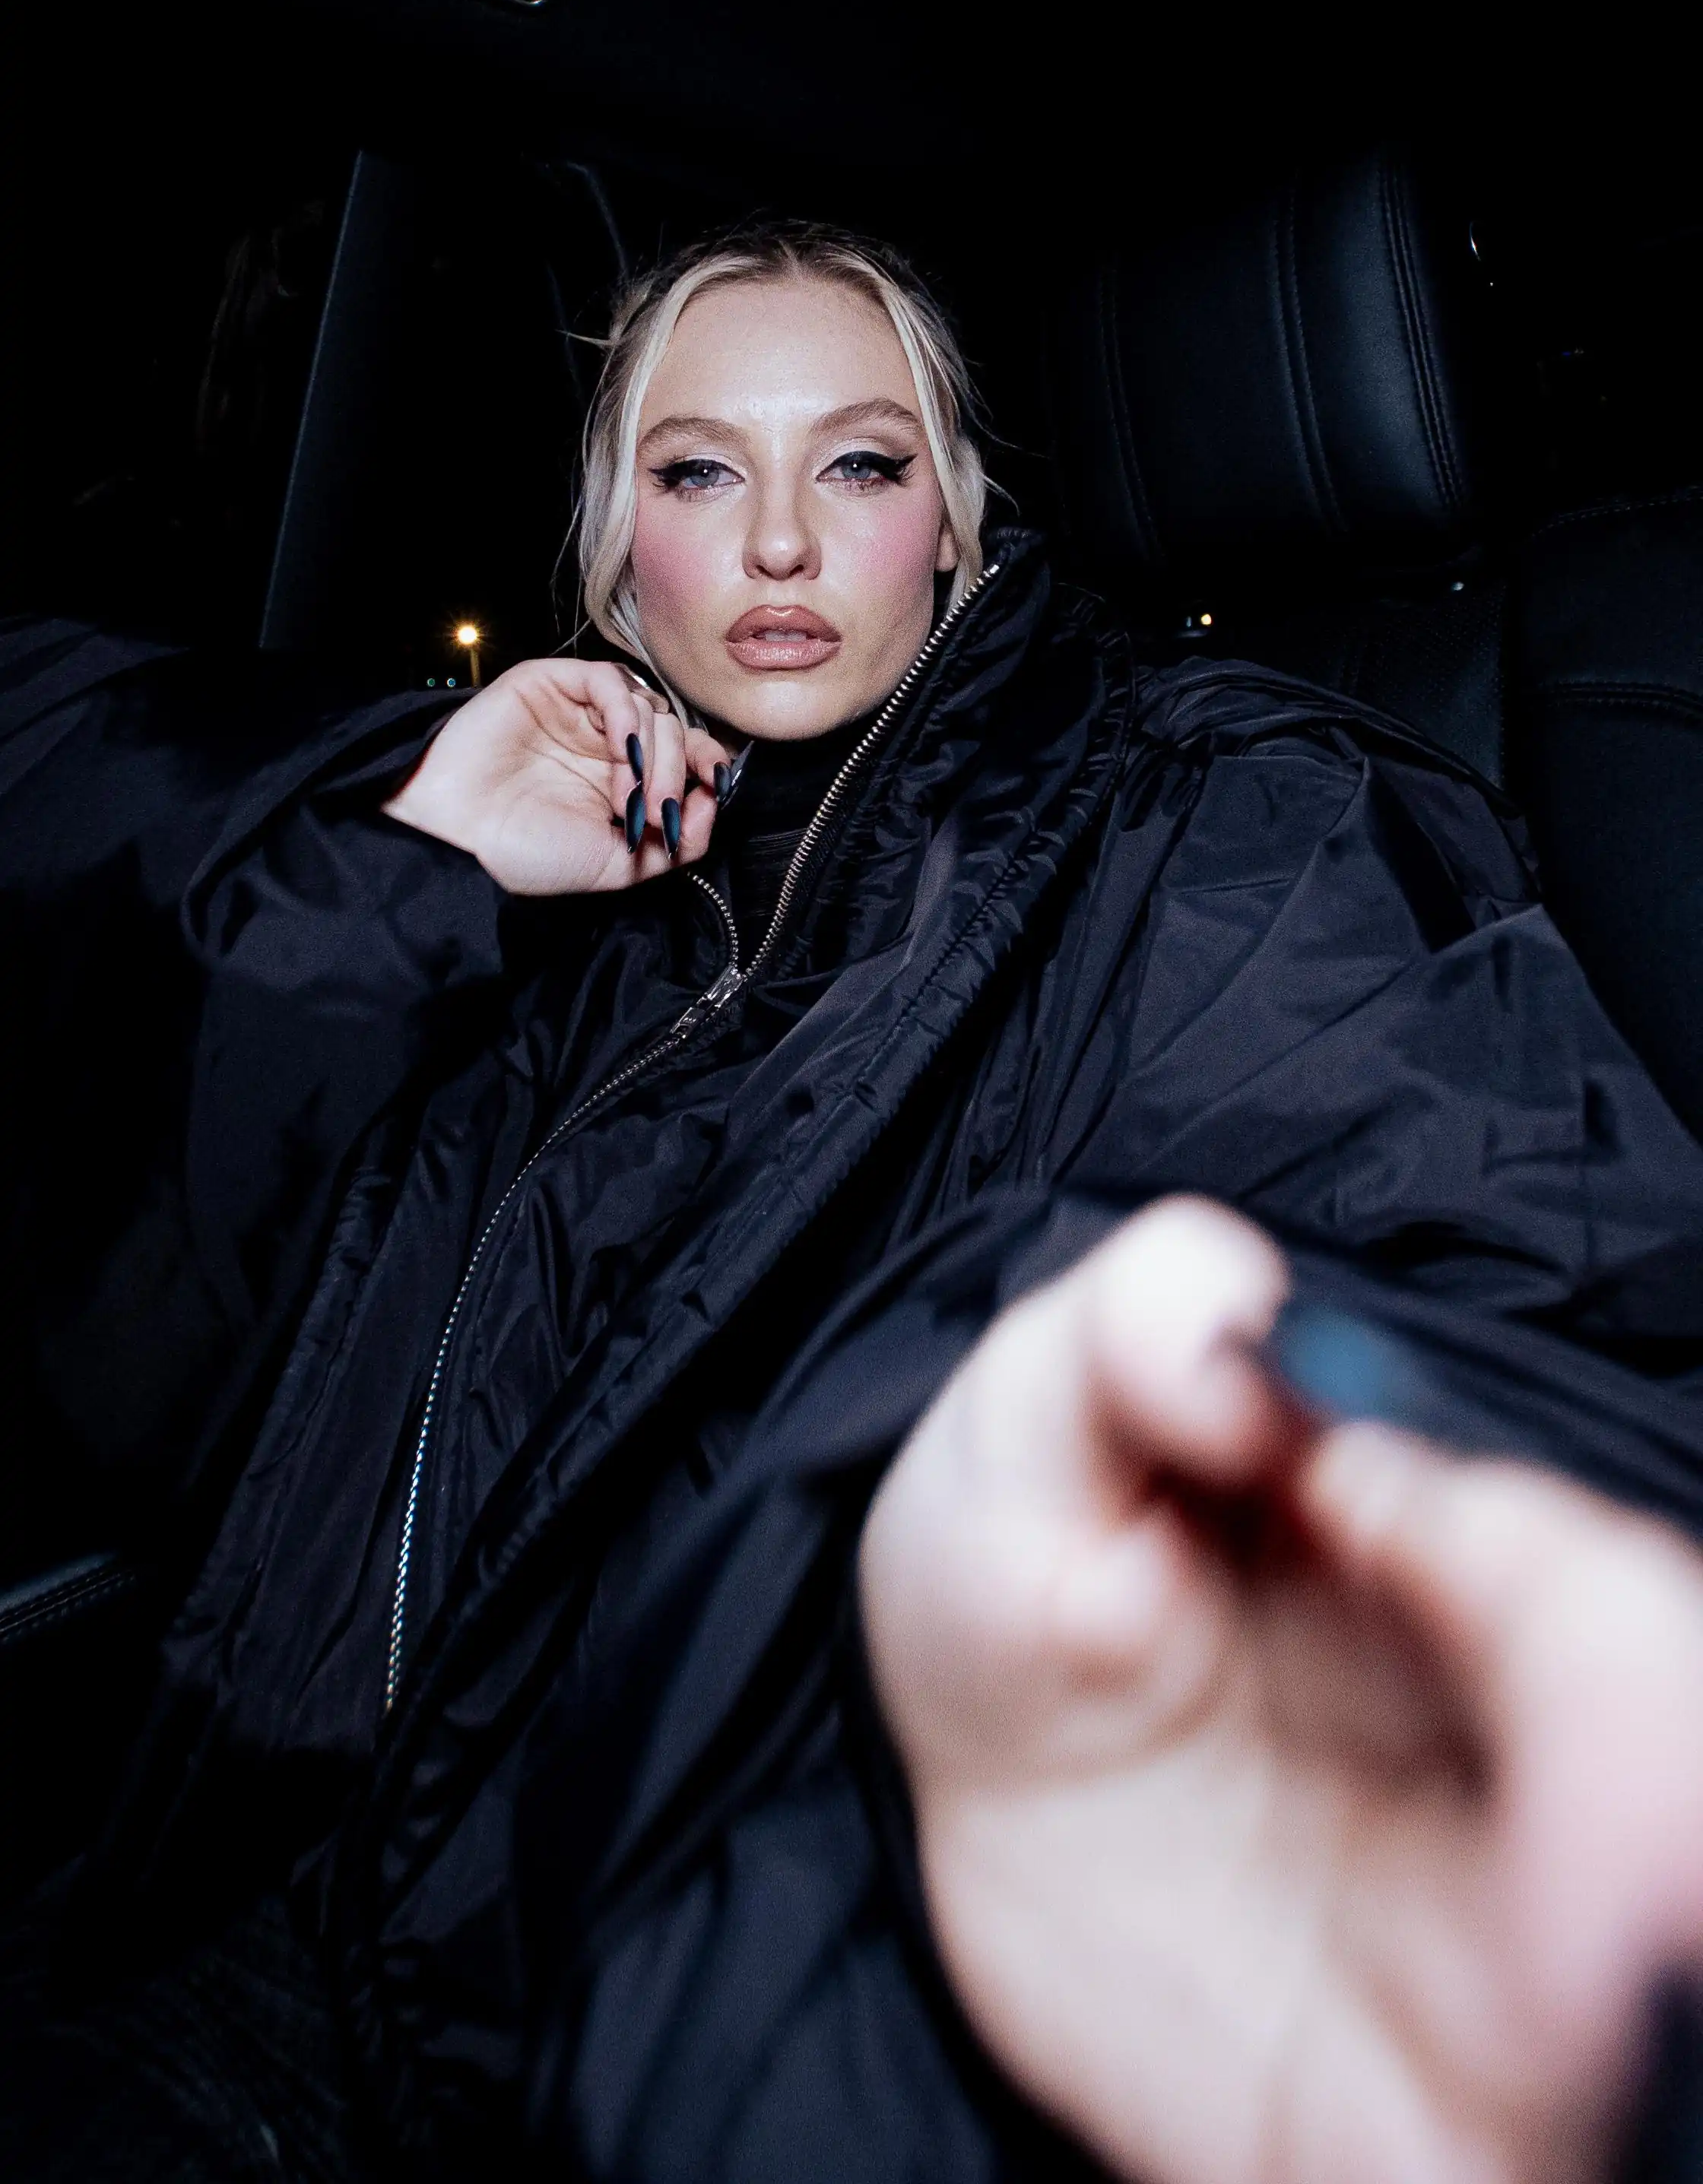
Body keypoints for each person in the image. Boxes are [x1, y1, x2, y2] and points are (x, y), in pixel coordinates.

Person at [5, 217, 1703, 2183]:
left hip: (725, 1991)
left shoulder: (1216, 798)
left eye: (865, 464)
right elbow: (180, 1355)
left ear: (960, 529)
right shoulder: (569, 874)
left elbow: (1456, 1216)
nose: (786, 544)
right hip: (242, 1916)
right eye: (699, 470)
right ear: (608, 554)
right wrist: (419, 869)